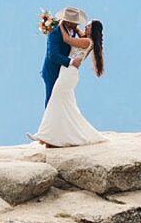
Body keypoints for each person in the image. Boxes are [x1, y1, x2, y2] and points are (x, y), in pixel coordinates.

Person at [31, 10, 105, 147]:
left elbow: (67, 40)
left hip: (68, 73)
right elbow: (57, 51)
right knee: (63, 104)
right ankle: (51, 135)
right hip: (64, 72)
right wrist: (66, 26)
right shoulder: (86, 39)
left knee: (54, 101)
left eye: (87, 26)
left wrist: (60, 24)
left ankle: (47, 136)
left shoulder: (85, 40)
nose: (83, 26)